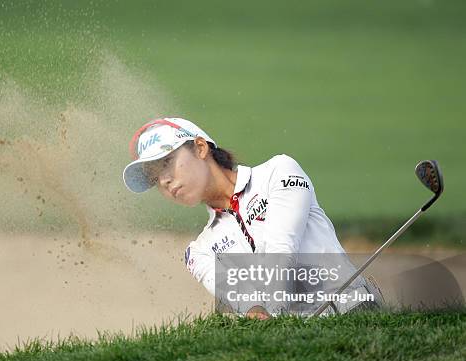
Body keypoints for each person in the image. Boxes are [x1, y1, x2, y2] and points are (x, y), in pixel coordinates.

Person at [122, 117, 383, 318]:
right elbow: (248, 305)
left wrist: (273, 316)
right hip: (297, 341)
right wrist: (258, 315)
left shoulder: (278, 171)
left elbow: (282, 249)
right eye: (156, 177)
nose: (165, 180)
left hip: (353, 310)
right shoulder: (200, 251)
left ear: (200, 148)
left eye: (167, 162)